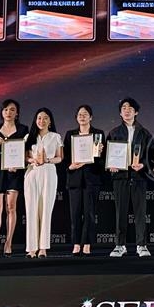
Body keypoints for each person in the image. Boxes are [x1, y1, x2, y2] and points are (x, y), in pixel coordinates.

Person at [106, 97, 154, 258]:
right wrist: (111, 166)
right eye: (124, 108)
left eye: (130, 108)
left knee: (140, 213)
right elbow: (107, 156)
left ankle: (142, 245)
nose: (127, 110)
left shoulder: (145, 133)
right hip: (120, 177)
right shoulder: (114, 132)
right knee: (120, 212)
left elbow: (151, 156)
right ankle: (120, 245)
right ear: (120, 113)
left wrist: (143, 165)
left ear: (136, 112)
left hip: (139, 177)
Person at [0, 99, 29, 258]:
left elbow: (25, 152)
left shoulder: (23, 129)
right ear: (2, 112)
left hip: (13, 172)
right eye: (6, 110)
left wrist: (18, 164)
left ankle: (8, 243)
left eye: (12, 110)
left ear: (17, 113)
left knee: (11, 207)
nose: (8, 112)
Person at [63, 105, 105, 256]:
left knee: (89, 213)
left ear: (91, 117)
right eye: (80, 114)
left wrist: (99, 153)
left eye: (85, 114)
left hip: (92, 178)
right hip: (75, 179)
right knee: (75, 213)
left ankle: (87, 243)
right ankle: (76, 243)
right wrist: (70, 166)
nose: (82, 116)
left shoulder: (98, 134)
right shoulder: (70, 135)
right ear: (76, 118)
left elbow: (102, 159)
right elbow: (65, 157)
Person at [24, 108, 63, 258]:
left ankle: (43, 248)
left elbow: (60, 157)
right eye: (39, 118)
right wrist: (32, 160)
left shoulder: (56, 137)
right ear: (35, 120)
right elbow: (25, 157)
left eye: (45, 118)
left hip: (48, 173)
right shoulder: (29, 137)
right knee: (31, 210)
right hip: (32, 173)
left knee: (46, 210)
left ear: (50, 121)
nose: (42, 121)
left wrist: (47, 160)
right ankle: (31, 248)